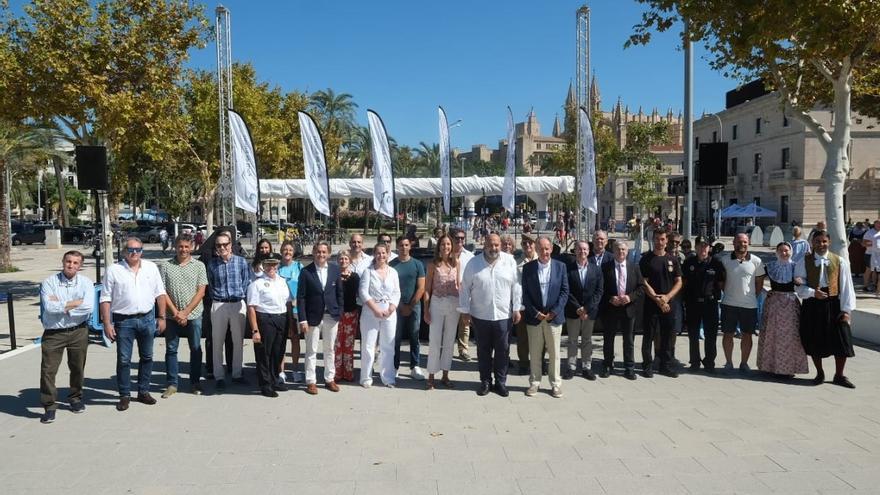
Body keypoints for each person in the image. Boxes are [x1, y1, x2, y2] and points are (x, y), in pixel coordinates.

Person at [100, 236, 167, 411]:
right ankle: (124, 395)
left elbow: (160, 293)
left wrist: (162, 317)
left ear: (142, 251)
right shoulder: (113, 270)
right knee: (124, 360)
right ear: (124, 252)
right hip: (124, 321)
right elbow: (105, 298)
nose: (134, 253)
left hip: (147, 318)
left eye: (138, 249)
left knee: (147, 357)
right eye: (131, 250)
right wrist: (107, 323)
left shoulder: (151, 268)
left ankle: (143, 391)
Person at [458, 233, 522, 397]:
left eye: (496, 245)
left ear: (500, 245)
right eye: (490, 245)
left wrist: (516, 308)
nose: (493, 248)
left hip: (503, 315)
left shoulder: (509, 261)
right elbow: (465, 288)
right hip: (480, 315)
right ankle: (485, 381)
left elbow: (516, 286)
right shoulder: (474, 263)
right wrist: (464, 311)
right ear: (484, 245)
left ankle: (500, 382)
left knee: (503, 351)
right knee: (483, 351)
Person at [38, 250, 94, 423]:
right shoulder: (49, 282)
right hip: (54, 333)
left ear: (80, 265)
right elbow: (49, 308)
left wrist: (62, 305)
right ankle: (49, 405)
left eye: (75, 263)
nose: (71, 265)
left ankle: (75, 398)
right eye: (68, 261)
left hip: (79, 331)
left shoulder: (86, 283)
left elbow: (88, 307)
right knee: (48, 370)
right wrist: (74, 303)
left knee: (77, 367)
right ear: (63, 262)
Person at [796, 230, 857, 388]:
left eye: (824, 241)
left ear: (828, 242)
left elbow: (846, 287)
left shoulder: (839, 261)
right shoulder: (805, 261)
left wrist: (846, 311)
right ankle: (820, 373)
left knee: (842, 341)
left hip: (834, 305)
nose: (821, 244)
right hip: (813, 305)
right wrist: (812, 293)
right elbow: (799, 285)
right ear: (812, 243)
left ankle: (839, 375)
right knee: (815, 339)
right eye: (818, 241)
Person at [158, 234, 208, 397]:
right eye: (180, 246)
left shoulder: (199, 266)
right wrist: (175, 312)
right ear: (175, 246)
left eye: (186, 246)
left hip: (193, 315)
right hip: (172, 316)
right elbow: (162, 291)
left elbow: (201, 291)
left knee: (195, 348)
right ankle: (172, 384)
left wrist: (185, 312)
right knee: (171, 349)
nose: (183, 250)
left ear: (192, 247)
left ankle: (195, 382)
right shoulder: (165, 266)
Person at [521, 237, 570, 398]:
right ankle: (534, 383)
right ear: (536, 249)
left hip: (553, 318)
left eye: (547, 248)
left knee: (555, 353)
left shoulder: (560, 267)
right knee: (535, 353)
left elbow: (564, 292)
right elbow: (525, 294)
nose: (544, 252)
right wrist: (535, 312)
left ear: (551, 249)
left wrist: (554, 312)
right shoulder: (528, 268)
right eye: (541, 249)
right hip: (535, 318)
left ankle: (556, 384)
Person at [206, 231, 252, 391]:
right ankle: (219, 376)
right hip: (219, 304)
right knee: (217, 341)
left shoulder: (241, 262)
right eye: (218, 245)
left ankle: (237, 374)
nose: (222, 247)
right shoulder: (212, 264)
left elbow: (246, 282)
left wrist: (240, 297)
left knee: (238, 341)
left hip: (237, 304)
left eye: (225, 244)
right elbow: (210, 285)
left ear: (231, 245)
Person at [297, 241, 344, 395]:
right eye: (318, 252)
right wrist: (302, 319)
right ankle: (311, 381)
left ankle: (329, 379)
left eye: (324, 252)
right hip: (312, 317)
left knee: (330, 349)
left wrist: (339, 313)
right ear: (313, 252)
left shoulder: (335, 270)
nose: (321, 255)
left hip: (331, 315)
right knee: (311, 350)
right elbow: (301, 297)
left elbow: (339, 293)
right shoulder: (305, 272)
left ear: (329, 254)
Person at [756, 242, 809, 377]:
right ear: (777, 252)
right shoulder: (771, 267)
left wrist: (800, 282)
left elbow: (805, 282)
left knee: (790, 336)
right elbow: (756, 278)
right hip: (774, 304)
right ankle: (770, 366)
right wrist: (764, 291)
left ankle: (788, 368)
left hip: (790, 305)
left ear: (790, 252)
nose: (784, 253)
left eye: (786, 251)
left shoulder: (796, 267)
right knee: (772, 334)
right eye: (781, 251)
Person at [718, 233, 766, 373]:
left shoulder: (756, 261)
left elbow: (759, 283)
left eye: (744, 242)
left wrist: (751, 296)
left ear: (748, 243)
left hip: (749, 305)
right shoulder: (725, 260)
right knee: (728, 334)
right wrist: (730, 292)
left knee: (747, 335)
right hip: (729, 303)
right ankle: (728, 362)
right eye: (739, 242)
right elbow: (722, 282)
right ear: (733, 243)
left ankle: (744, 363)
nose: (742, 244)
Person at [639, 230, 683, 378]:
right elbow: (644, 282)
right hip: (652, 303)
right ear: (653, 239)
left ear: (666, 241)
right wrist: (657, 299)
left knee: (667, 335)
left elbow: (679, 281)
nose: (660, 242)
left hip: (669, 303)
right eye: (657, 239)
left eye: (662, 239)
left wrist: (667, 297)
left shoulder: (673, 259)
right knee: (649, 335)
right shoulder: (646, 259)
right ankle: (647, 365)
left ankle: (665, 365)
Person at [246, 255, 291, 397]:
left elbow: (287, 302)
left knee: (278, 352)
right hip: (265, 319)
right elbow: (251, 308)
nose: (271, 268)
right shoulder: (256, 284)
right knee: (264, 354)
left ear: (278, 265)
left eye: (274, 264)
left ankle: (275, 379)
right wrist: (255, 330)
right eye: (268, 265)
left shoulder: (283, 282)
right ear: (263, 266)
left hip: (281, 318)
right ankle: (265, 384)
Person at [599, 241, 645, 380]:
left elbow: (641, 287)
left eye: (624, 250)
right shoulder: (605, 267)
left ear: (627, 252)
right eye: (618, 250)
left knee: (629, 339)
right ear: (613, 251)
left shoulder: (634, 267)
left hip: (628, 309)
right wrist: (609, 298)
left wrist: (630, 297)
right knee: (609, 338)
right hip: (611, 308)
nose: (621, 252)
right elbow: (600, 289)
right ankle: (607, 364)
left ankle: (629, 367)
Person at [358, 243, 401, 388]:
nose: (381, 256)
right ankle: (366, 377)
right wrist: (375, 309)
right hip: (371, 311)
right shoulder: (368, 272)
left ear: (388, 255)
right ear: (374, 255)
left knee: (388, 346)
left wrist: (392, 307)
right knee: (368, 345)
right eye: (378, 253)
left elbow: (397, 292)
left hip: (389, 312)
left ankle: (388, 377)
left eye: (384, 253)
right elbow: (363, 292)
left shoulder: (393, 272)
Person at [423, 233, 459, 390]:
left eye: (448, 244)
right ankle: (431, 375)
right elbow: (427, 289)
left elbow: (459, 284)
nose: (446, 247)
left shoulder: (456, 263)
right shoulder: (432, 265)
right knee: (435, 340)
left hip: (453, 303)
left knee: (450, 341)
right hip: (437, 303)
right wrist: (426, 309)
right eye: (443, 244)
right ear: (439, 247)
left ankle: (445, 374)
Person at [681, 240, 724, 372]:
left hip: (710, 303)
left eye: (705, 246)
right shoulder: (689, 262)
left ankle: (709, 362)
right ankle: (694, 361)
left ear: (709, 248)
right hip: (693, 303)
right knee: (693, 334)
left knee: (711, 335)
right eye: (700, 246)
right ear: (696, 247)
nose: (702, 249)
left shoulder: (716, 263)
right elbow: (684, 281)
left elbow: (721, 282)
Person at [564, 240, 603, 381]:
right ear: (575, 251)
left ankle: (587, 367)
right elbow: (566, 290)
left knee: (587, 340)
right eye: (579, 249)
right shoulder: (567, 269)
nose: (582, 252)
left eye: (585, 249)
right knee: (572, 340)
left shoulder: (596, 269)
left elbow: (599, 291)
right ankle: (571, 367)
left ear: (589, 251)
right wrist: (577, 308)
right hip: (573, 311)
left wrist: (586, 308)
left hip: (589, 312)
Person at [390, 236, 426, 380]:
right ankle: (394, 366)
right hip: (396, 306)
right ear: (397, 247)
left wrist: (410, 306)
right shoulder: (391, 265)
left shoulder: (418, 264)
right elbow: (390, 288)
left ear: (410, 246)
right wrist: (400, 305)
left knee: (414, 336)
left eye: (406, 245)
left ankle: (414, 366)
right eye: (401, 245)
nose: (403, 247)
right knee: (395, 338)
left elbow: (421, 287)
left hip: (414, 306)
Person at [277, 241, 303, 383]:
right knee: (281, 340)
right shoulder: (277, 267)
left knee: (295, 339)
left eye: (290, 250)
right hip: (280, 308)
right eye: (285, 249)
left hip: (295, 308)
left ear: (293, 252)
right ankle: (281, 371)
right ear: (281, 251)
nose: (287, 252)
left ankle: (295, 369)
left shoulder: (299, 267)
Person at [514, 234, 538, 375]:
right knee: (522, 337)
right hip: (522, 304)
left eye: (530, 243)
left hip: (538, 305)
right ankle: (523, 363)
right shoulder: (517, 262)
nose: (527, 246)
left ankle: (539, 362)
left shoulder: (542, 260)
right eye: (524, 243)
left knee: (540, 337)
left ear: (534, 244)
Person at [334, 249, 360, 382]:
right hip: (336, 314)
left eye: (345, 259)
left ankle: (348, 372)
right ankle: (337, 373)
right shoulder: (333, 275)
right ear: (337, 260)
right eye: (341, 258)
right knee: (338, 344)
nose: (343, 261)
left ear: (349, 261)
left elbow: (358, 295)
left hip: (351, 313)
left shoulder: (355, 277)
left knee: (349, 344)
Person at [451, 227, 474, 361]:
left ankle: (463, 350)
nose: (459, 240)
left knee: (464, 324)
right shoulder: (446, 254)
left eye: (462, 238)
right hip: (449, 295)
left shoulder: (469, 256)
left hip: (465, 294)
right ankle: (445, 349)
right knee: (448, 324)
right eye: (457, 238)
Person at [862, 219, 880, 294]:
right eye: (878, 223)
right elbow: (863, 243)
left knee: (877, 271)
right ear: (875, 224)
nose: (879, 225)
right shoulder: (869, 232)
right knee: (869, 270)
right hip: (870, 254)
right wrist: (874, 244)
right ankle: (865, 286)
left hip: (879, 255)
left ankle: (876, 286)